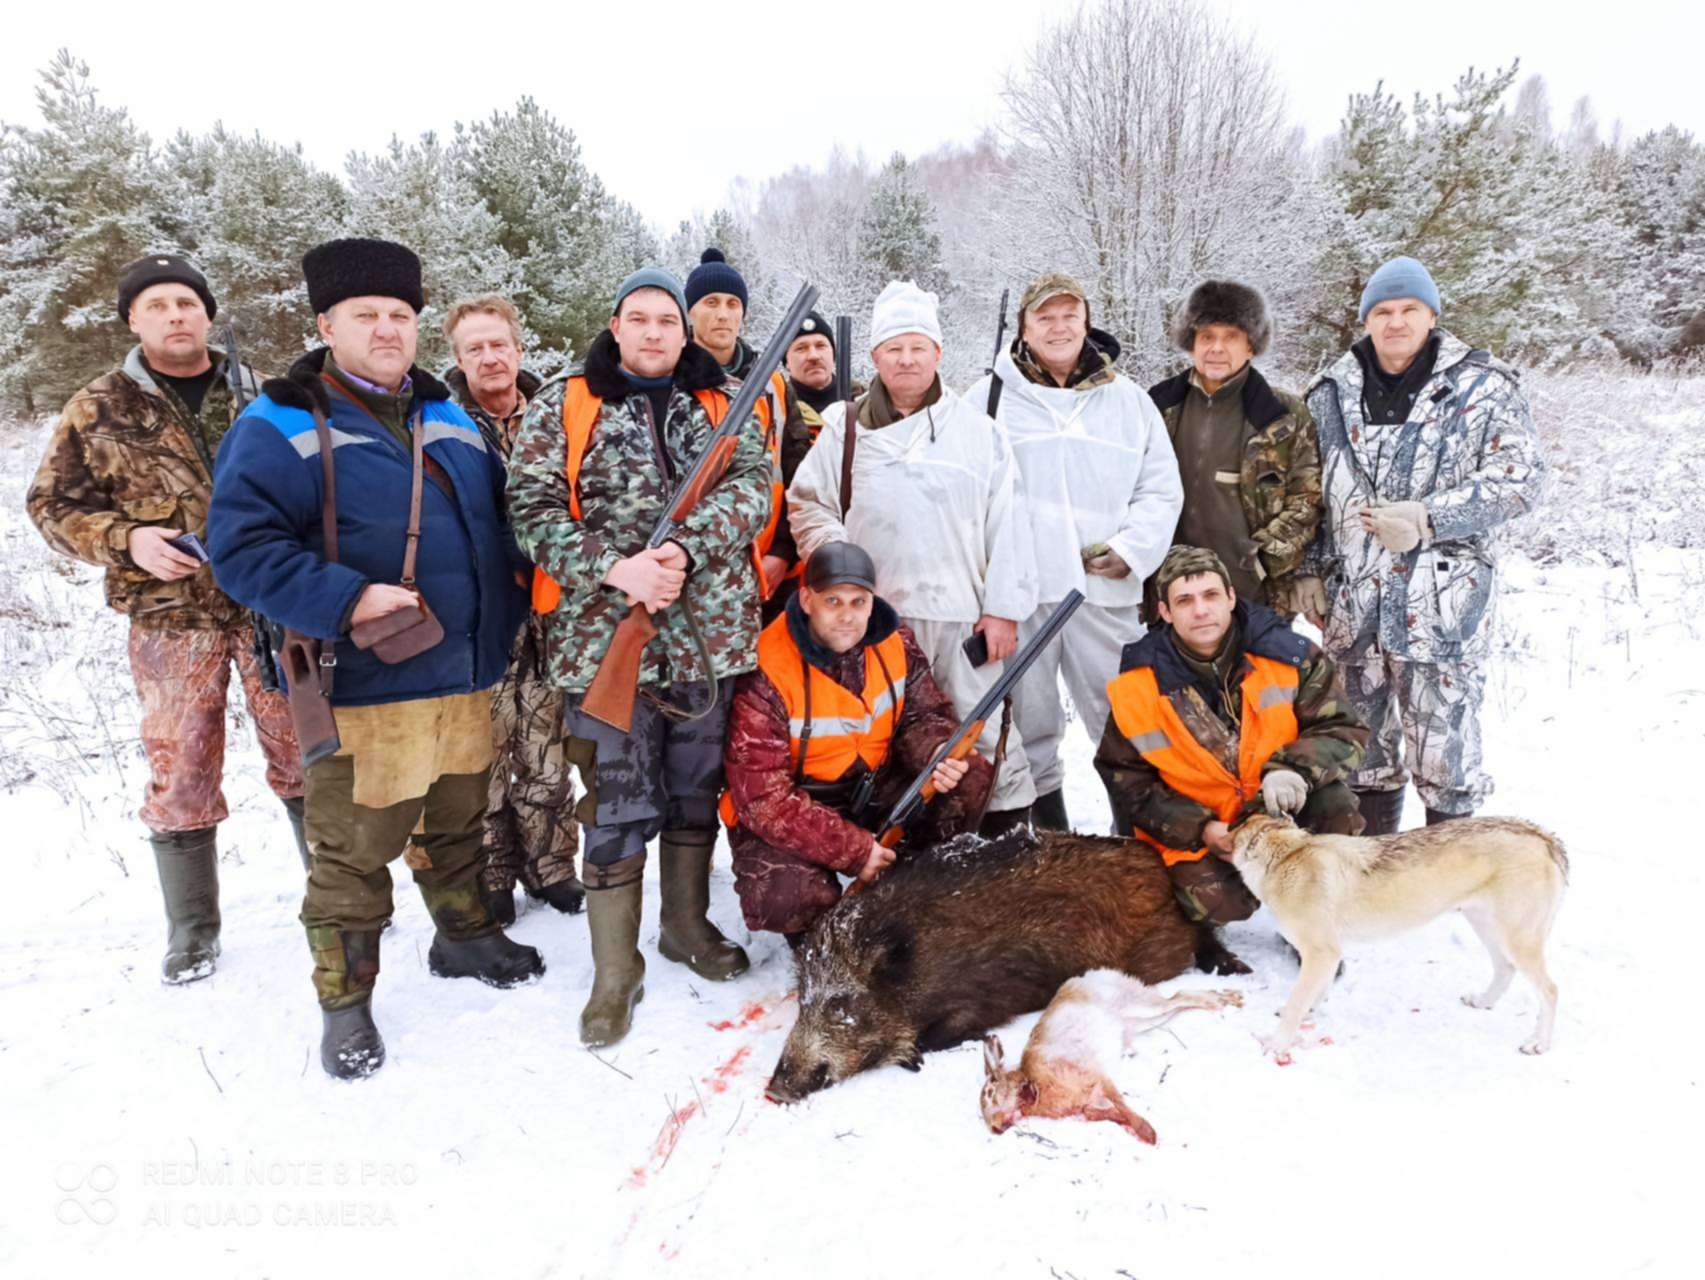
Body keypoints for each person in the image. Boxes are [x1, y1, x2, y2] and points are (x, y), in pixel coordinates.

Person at [208, 238, 540, 1079]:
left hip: (464, 671)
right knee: (354, 851)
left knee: (458, 820)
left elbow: (497, 527)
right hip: (365, 683)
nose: (387, 330)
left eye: (400, 316)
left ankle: (463, 937)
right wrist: (346, 600)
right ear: (326, 322)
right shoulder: (280, 420)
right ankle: (345, 1004)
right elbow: (240, 549)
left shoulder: (449, 413)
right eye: (367, 316)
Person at [508, 266, 772, 1047]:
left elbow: (755, 485)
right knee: (616, 806)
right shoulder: (565, 401)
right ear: (616, 326)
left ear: (683, 331)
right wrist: (612, 568)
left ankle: (684, 928)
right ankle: (614, 969)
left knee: (695, 794)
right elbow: (528, 509)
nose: (654, 332)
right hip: (602, 646)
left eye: (667, 320)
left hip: (710, 640)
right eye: (639, 318)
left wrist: (686, 546)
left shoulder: (725, 399)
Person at [26, 253, 305, 986]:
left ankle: (331, 900)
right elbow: (51, 508)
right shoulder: (98, 405)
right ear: (132, 320)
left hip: (269, 608)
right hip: (169, 618)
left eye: (187, 301)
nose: (176, 314)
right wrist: (129, 540)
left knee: (305, 754)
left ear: (207, 313)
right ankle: (193, 928)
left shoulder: (261, 392)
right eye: (158, 305)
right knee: (181, 768)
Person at [1293, 256, 1545, 834]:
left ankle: (1446, 887)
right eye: (1382, 311)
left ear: (1432, 314)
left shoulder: (1481, 386)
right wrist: (1307, 568)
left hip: (1440, 605)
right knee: (1360, 751)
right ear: (1366, 320)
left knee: (1444, 752)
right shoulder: (1329, 392)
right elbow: (1308, 489)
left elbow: (1522, 480)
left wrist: (1428, 518)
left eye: (1409, 309)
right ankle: (1377, 873)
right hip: (1353, 605)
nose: (1396, 321)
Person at [788, 280, 1040, 834]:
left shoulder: (981, 434)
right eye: (894, 348)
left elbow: (1011, 526)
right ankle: (906, 846)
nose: (906, 359)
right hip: (875, 625)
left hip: (963, 618)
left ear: (938, 354)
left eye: (918, 347)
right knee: (890, 741)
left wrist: (1003, 610)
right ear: (875, 355)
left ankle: (1003, 844)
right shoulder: (842, 430)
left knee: (982, 735)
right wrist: (840, 569)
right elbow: (808, 504)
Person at [965, 272, 1182, 831]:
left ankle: (1136, 837)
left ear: (1087, 322)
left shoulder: (1128, 400)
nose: (1058, 327)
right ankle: (1050, 846)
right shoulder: (987, 399)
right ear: (1024, 327)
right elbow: (964, 493)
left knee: (1124, 719)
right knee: (1029, 723)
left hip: (1102, 593)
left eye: (1070, 315)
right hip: (1023, 595)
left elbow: (1161, 489)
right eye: (1045, 316)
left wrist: (1131, 550)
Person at [1095, 546, 1368, 975]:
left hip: (1278, 811)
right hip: (1205, 828)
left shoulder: (1292, 658)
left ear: (1230, 598)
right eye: (1185, 601)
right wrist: (1201, 828)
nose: (1200, 610)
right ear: (1164, 612)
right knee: (1217, 901)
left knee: (1337, 810)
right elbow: (1125, 780)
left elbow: (1345, 731)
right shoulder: (1136, 687)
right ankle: (1207, 926)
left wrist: (1291, 769)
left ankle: (1310, 926)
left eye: (1210, 596)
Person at [720, 542, 993, 941]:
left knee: (969, 776)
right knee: (786, 897)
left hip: (874, 787)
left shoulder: (895, 639)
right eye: (833, 601)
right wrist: (854, 851)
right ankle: (816, 929)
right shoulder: (766, 666)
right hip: (797, 803)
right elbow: (764, 799)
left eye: (858, 601)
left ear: (872, 601)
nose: (847, 616)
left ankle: (915, 884)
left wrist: (936, 751)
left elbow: (925, 714)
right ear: (807, 599)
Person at [443, 294, 584, 922]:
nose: (490, 357)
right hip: (480, 612)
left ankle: (552, 865)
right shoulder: (442, 424)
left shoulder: (557, 414)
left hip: (551, 610)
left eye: (498, 344)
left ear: (519, 350)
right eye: (474, 348)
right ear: (457, 359)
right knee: (486, 750)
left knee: (547, 744)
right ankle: (494, 871)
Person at [1146, 279, 1321, 617]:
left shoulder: (1283, 414)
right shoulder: (1158, 405)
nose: (1217, 348)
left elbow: (1308, 499)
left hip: (1254, 595)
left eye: (1231, 337)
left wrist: (1261, 561)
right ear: (1191, 342)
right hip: (1172, 596)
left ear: (1251, 346)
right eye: (1207, 337)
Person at [685, 248, 792, 606]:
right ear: (690, 311)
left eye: (733, 304)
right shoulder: (671, 379)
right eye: (711, 302)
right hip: (690, 564)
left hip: (764, 563)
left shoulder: (772, 383)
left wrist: (783, 550)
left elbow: (797, 473)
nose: (723, 314)